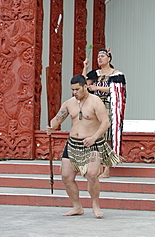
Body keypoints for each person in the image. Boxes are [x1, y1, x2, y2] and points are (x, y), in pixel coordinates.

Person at [46, 74, 120, 218]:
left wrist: (93, 137)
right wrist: (51, 127)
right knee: (66, 176)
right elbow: (58, 119)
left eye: (77, 89)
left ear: (85, 87)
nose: (75, 93)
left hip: (91, 143)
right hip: (73, 143)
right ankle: (77, 207)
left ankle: (96, 205)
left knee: (92, 174)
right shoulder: (69, 103)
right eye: (73, 90)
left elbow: (105, 123)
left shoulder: (95, 102)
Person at [83, 48, 126, 178]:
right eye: (98, 56)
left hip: (108, 105)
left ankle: (107, 168)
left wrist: (97, 88)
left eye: (102, 56)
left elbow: (115, 90)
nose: (99, 58)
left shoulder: (116, 74)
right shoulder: (95, 73)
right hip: (95, 105)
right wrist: (85, 68)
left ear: (109, 58)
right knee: (96, 137)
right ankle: (97, 167)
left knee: (106, 137)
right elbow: (84, 84)